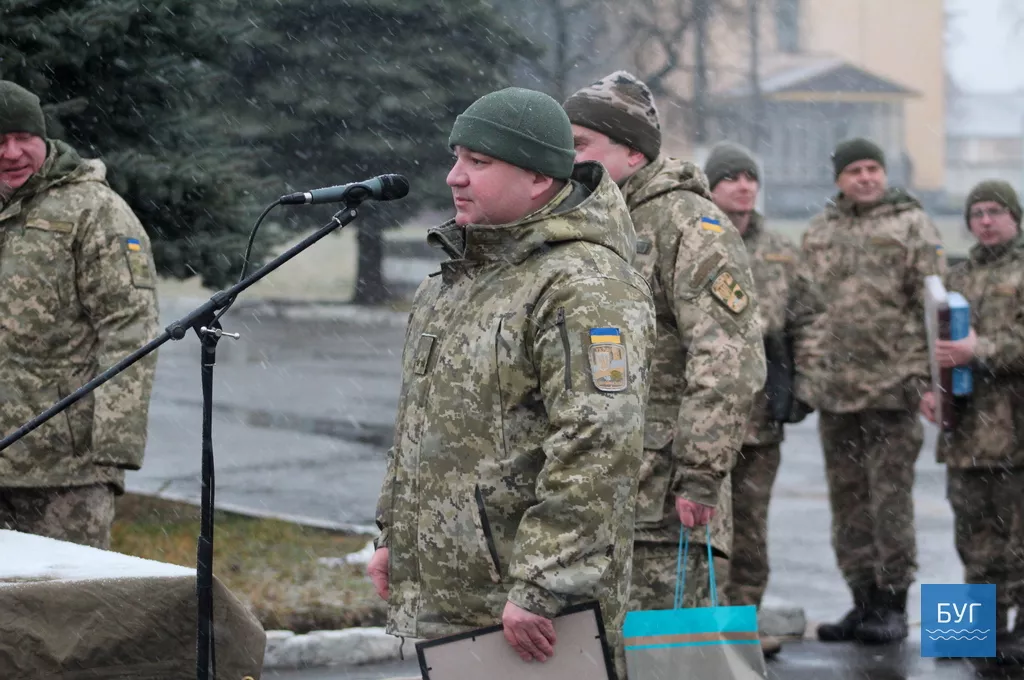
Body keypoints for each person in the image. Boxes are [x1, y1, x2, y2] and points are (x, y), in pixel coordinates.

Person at [366, 86, 656, 680]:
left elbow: (599, 446)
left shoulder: (584, 285)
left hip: (531, 610)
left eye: (480, 162)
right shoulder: (455, 281)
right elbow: (422, 426)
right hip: (458, 593)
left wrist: (543, 583)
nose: (455, 178)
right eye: (457, 158)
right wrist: (396, 535)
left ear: (538, 179)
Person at [563, 72, 766, 613]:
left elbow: (728, 358)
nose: (566, 158)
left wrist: (699, 475)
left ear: (631, 151)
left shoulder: (691, 225)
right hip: (591, 489)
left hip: (662, 499)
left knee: (661, 659)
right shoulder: (586, 221)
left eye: (581, 145)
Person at [0, 80, 160, 549]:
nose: (11, 153)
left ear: (43, 138)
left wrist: (112, 446)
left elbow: (130, 327)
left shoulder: (94, 210)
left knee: (69, 607)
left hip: (66, 464)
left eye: (22, 138)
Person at [802, 137, 946, 644]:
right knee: (848, 503)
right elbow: (807, 307)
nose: (866, 177)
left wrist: (929, 382)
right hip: (837, 392)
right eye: (855, 170)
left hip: (893, 389)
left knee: (889, 501)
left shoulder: (912, 225)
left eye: (873, 168)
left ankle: (892, 603)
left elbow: (934, 311)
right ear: (839, 178)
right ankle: (861, 601)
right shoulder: (820, 231)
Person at [703, 141, 825, 658]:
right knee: (699, 527)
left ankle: (739, 627)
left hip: (759, 415)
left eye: (750, 177)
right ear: (711, 187)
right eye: (731, 177)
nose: (744, 185)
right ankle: (699, 627)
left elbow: (810, 318)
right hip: (702, 416)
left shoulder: (779, 249)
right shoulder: (695, 240)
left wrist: (806, 385)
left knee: (750, 528)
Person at [920, 180, 1024, 664]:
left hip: (1015, 431)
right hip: (965, 433)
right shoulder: (955, 276)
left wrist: (977, 350)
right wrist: (927, 388)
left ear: (1014, 217)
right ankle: (978, 633)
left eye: (995, 211)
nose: (985, 221)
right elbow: (932, 341)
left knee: (1018, 541)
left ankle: (1020, 632)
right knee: (973, 539)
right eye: (976, 213)